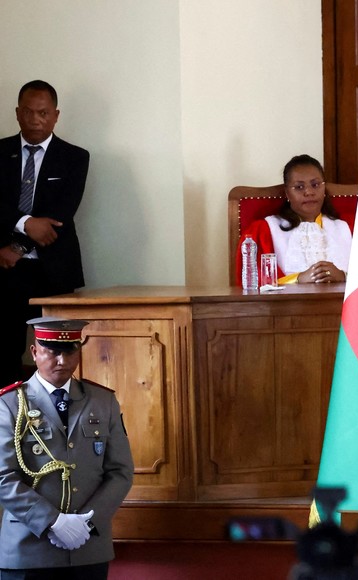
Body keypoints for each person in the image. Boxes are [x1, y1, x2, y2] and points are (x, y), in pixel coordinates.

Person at [0, 317, 134, 579]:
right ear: (35, 352)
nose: (62, 361)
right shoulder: (9, 404)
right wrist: (53, 521)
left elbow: (121, 471)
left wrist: (88, 522)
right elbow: (3, 476)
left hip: (88, 545)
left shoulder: (103, 401)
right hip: (29, 548)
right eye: (53, 352)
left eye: (70, 351)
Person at [0, 80, 90, 386]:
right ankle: (7, 421)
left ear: (55, 115)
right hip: (5, 270)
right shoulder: (0, 153)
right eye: (28, 112)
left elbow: (60, 214)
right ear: (17, 113)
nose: (35, 119)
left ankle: (54, 420)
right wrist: (25, 224)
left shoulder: (76, 157)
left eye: (43, 113)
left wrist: (18, 246)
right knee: (4, 352)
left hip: (54, 271)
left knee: (57, 353)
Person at [235, 154, 352, 285]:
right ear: (287, 193)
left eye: (315, 185)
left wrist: (343, 276)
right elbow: (253, 285)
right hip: (285, 305)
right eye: (299, 187)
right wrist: (298, 278)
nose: (309, 192)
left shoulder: (348, 228)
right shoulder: (264, 230)